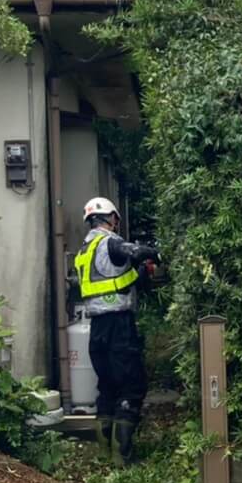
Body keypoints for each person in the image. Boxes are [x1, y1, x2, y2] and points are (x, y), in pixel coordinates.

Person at [74, 197, 160, 465]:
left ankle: (104, 455)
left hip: (96, 327)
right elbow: (134, 251)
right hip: (118, 325)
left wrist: (141, 275)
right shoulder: (109, 242)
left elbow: (114, 281)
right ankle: (122, 457)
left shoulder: (84, 250)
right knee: (132, 387)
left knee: (108, 387)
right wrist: (156, 253)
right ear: (111, 218)